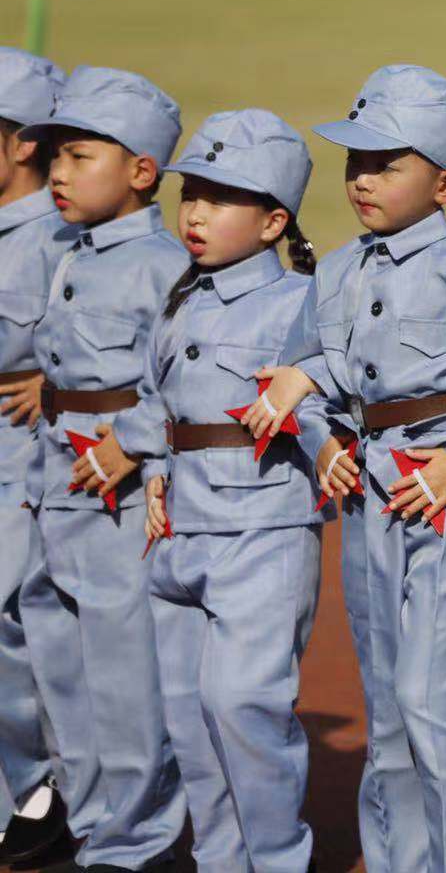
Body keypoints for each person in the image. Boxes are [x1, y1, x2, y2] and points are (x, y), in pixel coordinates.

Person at [250, 64, 446, 873]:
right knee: (387, 709)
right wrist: (323, 441)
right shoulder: (334, 271)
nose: (362, 178)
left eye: (386, 163)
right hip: (369, 498)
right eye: (354, 161)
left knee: (437, 705)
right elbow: (300, 379)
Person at [133, 110, 327, 872]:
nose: (197, 212)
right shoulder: (183, 297)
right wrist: (152, 471)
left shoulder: (301, 303)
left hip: (263, 529)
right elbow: (157, 397)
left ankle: (278, 859)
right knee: (189, 718)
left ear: (274, 220)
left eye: (221, 198)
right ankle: (221, 860)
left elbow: (323, 400)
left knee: (243, 705)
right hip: (180, 530)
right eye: (192, 194)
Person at [19, 66, 189, 872]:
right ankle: (92, 830)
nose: (57, 172)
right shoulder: (68, 251)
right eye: (53, 155)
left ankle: (142, 840)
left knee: (125, 672)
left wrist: (136, 437)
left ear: (141, 173)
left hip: (121, 489)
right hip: (57, 480)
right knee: (61, 662)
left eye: (79, 155)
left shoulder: (163, 264)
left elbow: (190, 371)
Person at [0, 49, 70, 867]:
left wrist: (56, 380)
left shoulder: (62, 237)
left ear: (23, 143)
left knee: (25, 624)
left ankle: (45, 793)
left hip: (36, 463)